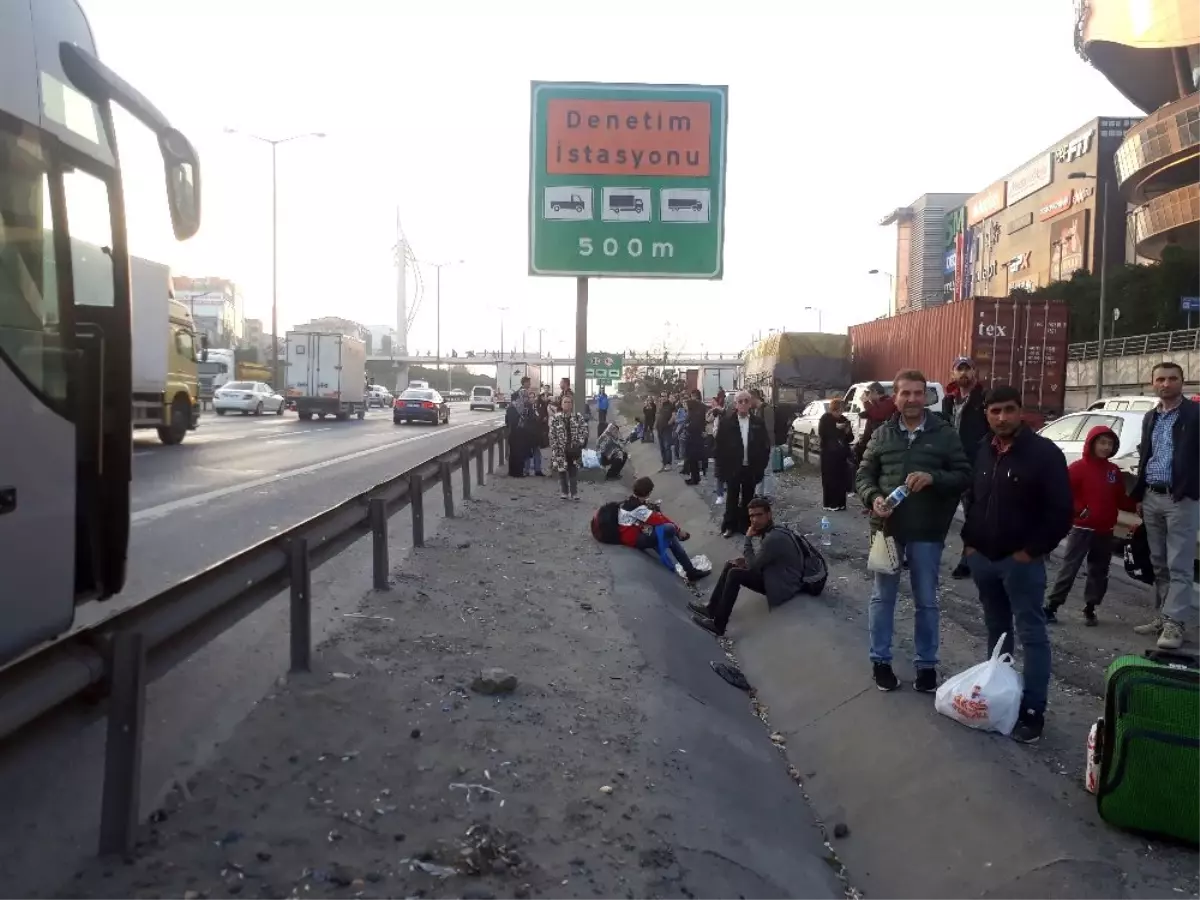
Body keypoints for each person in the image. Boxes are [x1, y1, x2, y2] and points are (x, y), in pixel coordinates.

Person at [962, 385, 1073, 744]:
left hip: (1021, 563)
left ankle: (1032, 711)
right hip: (984, 559)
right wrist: (970, 543)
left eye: (1009, 410)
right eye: (995, 411)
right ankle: (1000, 698)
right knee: (997, 632)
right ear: (987, 415)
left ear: (1020, 411)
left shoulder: (1044, 454)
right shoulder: (982, 450)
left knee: (1032, 636)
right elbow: (974, 498)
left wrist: (1032, 550)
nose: (1002, 417)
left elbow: (1061, 512)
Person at [855, 369, 972, 694]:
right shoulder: (881, 434)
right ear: (895, 397)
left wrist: (934, 477)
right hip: (887, 530)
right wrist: (873, 497)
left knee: (926, 601)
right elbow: (863, 473)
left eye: (918, 393)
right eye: (905, 393)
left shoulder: (944, 434)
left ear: (927, 397)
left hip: (927, 530)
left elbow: (964, 475)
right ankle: (880, 662)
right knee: (883, 598)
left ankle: (926, 667)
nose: (911, 399)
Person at [1129, 362, 1200, 649]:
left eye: (1172, 379)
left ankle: (1175, 624)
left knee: (1179, 564)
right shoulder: (1151, 417)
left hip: (1180, 498)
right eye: (1161, 379)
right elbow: (1148, 454)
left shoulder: (1195, 415)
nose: (1166, 384)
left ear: (1182, 382)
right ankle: (1164, 616)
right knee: (1158, 562)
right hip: (1151, 495)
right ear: (1152, 383)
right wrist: (1139, 495)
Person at [1044, 424, 1136, 626]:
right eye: (1102, 442)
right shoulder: (1078, 468)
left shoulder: (1113, 471)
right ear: (1092, 443)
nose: (1106, 447)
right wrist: (1079, 510)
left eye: (1110, 444)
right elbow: (1064, 492)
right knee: (1070, 567)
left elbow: (1120, 497)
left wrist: (1136, 506)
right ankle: (1052, 605)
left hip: (1105, 530)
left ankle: (1090, 607)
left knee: (1099, 571)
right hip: (1082, 529)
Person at [690, 497, 804, 636]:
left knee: (735, 574)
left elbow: (753, 568)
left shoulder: (773, 538)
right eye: (752, 516)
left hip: (783, 585)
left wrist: (748, 539)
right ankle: (711, 609)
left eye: (759, 515)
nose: (755, 520)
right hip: (777, 573)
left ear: (769, 515)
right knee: (731, 564)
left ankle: (719, 625)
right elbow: (760, 560)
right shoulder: (773, 530)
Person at [941, 358, 991, 579]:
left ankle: (968, 560)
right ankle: (927, 554)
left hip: (974, 465)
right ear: (953, 374)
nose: (963, 373)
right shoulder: (948, 401)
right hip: (950, 465)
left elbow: (990, 433)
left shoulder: (983, 399)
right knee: (940, 513)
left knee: (973, 516)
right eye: (959, 369)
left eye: (967, 369)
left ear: (974, 373)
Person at [616, 476, 707, 581]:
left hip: (634, 533)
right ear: (648, 492)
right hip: (633, 539)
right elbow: (658, 519)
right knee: (669, 529)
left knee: (669, 534)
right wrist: (678, 530)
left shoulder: (633, 501)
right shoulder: (637, 508)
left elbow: (657, 518)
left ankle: (690, 570)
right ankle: (690, 571)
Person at [715, 391, 771, 537]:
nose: (744, 404)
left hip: (751, 467)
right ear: (735, 404)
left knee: (749, 498)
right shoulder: (727, 422)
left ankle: (746, 525)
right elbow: (719, 448)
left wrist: (761, 466)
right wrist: (720, 470)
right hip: (733, 467)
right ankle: (729, 525)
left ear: (750, 403)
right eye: (740, 401)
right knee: (732, 497)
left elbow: (765, 446)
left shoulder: (758, 422)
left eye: (746, 401)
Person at [818, 397, 854, 511]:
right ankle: (830, 504)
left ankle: (841, 503)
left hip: (841, 454)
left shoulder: (844, 419)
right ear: (832, 410)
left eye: (841, 410)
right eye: (837, 411)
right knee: (829, 478)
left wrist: (847, 431)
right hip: (828, 454)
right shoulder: (825, 418)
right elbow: (823, 434)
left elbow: (850, 438)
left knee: (841, 479)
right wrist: (836, 428)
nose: (839, 413)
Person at [550, 393, 587, 500]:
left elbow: (584, 430)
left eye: (569, 402)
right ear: (561, 404)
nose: (567, 404)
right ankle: (564, 492)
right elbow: (552, 434)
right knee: (562, 471)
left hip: (574, 449)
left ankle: (574, 493)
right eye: (565, 402)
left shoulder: (577, 416)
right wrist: (555, 447)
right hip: (560, 449)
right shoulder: (556, 418)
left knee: (573, 470)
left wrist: (579, 442)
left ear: (572, 404)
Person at [852, 382, 895, 466]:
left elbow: (878, 414)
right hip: (871, 439)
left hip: (882, 440)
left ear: (875, 392)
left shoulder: (888, 401)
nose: (868, 395)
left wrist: (866, 402)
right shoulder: (877, 403)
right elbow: (873, 413)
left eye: (869, 393)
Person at [683, 390, 708, 485]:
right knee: (692, 460)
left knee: (693, 459)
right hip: (693, 438)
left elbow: (694, 425)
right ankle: (694, 477)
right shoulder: (694, 413)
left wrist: (687, 426)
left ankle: (695, 478)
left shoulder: (695, 414)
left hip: (694, 439)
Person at [654, 391, 676, 471]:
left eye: (665, 396)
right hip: (659, 429)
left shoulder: (671, 405)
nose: (663, 397)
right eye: (662, 396)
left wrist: (668, 423)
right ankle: (664, 463)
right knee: (662, 447)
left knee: (667, 447)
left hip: (667, 429)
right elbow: (658, 416)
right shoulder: (660, 405)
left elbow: (674, 417)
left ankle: (668, 464)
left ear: (667, 397)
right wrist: (655, 425)